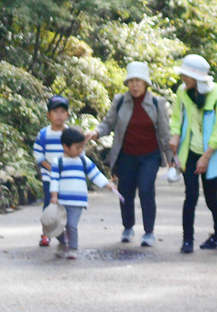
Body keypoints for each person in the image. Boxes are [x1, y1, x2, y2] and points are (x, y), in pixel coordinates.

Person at [85, 62, 172, 247]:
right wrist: (95, 132)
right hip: (126, 155)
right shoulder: (120, 102)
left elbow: (165, 134)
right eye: (131, 81)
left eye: (138, 81)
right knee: (126, 191)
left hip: (150, 155)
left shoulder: (157, 103)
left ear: (146, 83)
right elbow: (108, 123)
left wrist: (172, 159)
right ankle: (128, 227)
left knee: (146, 189)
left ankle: (149, 232)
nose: (134, 85)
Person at [169, 54, 217, 254]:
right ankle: (187, 240)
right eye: (183, 75)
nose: (183, 79)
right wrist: (175, 136)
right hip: (190, 152)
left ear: (199, 78)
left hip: (211, 153)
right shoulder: (183, 92)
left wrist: (206, 156)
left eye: (187, 76)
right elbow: (177, 117)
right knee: (191, 196)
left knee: (211, 197)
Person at [50, 127, 116, 259]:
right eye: (77, 147)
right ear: (65, 147)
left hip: (77, 201)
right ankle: (63, 243)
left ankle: (73, 248)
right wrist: (54, 196)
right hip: (62, 200)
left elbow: (95, 173)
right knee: (56, 226)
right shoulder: (59, 162)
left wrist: (106, 184)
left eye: (82, 147)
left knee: (71, 225)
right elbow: (54, 179)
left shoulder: (83, 160)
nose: (81, 150)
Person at [33, 95, 70, 247]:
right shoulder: (43, 134)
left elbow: (77, 152)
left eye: (63, 111)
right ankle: (46, 233)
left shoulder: (70, 134)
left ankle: (63, 232)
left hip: (67, 178)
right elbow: (38, 154)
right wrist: (51, 168)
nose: (59, 115)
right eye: (56, 111)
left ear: (67, 115)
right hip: (49, 177)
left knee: (66, 205)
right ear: (48, 115)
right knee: (50, 204)